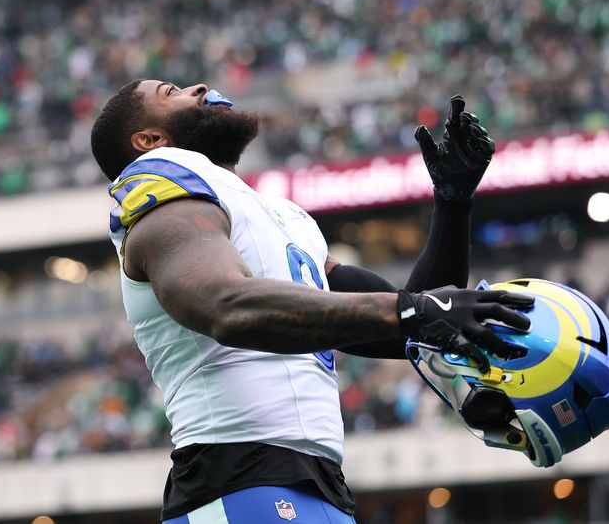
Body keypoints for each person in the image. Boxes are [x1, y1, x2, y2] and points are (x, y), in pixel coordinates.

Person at [90, 80, 533, 523]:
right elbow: (223, 304)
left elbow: (408, 328)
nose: (200, 86)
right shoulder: (162, 181)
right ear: (150, 141)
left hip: (320, 485)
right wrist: (414, 312)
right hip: (235, 477)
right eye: (172, 92)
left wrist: (452, 205)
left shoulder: (279, 214)